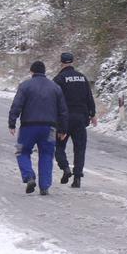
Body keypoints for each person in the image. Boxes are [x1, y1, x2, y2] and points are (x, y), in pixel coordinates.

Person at [8, 60, 68, 195]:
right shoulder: (55, 87)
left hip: (28, 127)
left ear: (31, 72)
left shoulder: (25, 86)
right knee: (47, 154)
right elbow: (63, 110)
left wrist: (12, 123)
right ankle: (45, 186)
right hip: (50, 129)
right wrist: (63, 129)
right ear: (44, 72)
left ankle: (29, 177)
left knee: (20, 151)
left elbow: (17, 105)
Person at [52, 51, 97, 188]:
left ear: (61, 62)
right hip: (80, 119)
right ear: (72, 62)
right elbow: (89, 97)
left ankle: (65, 168)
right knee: (80, 148)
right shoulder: (82, 78)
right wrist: (93, 114)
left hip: (64, 119)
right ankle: (77, 178)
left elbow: (54, 100)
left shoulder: (58, 79)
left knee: (58, 146)